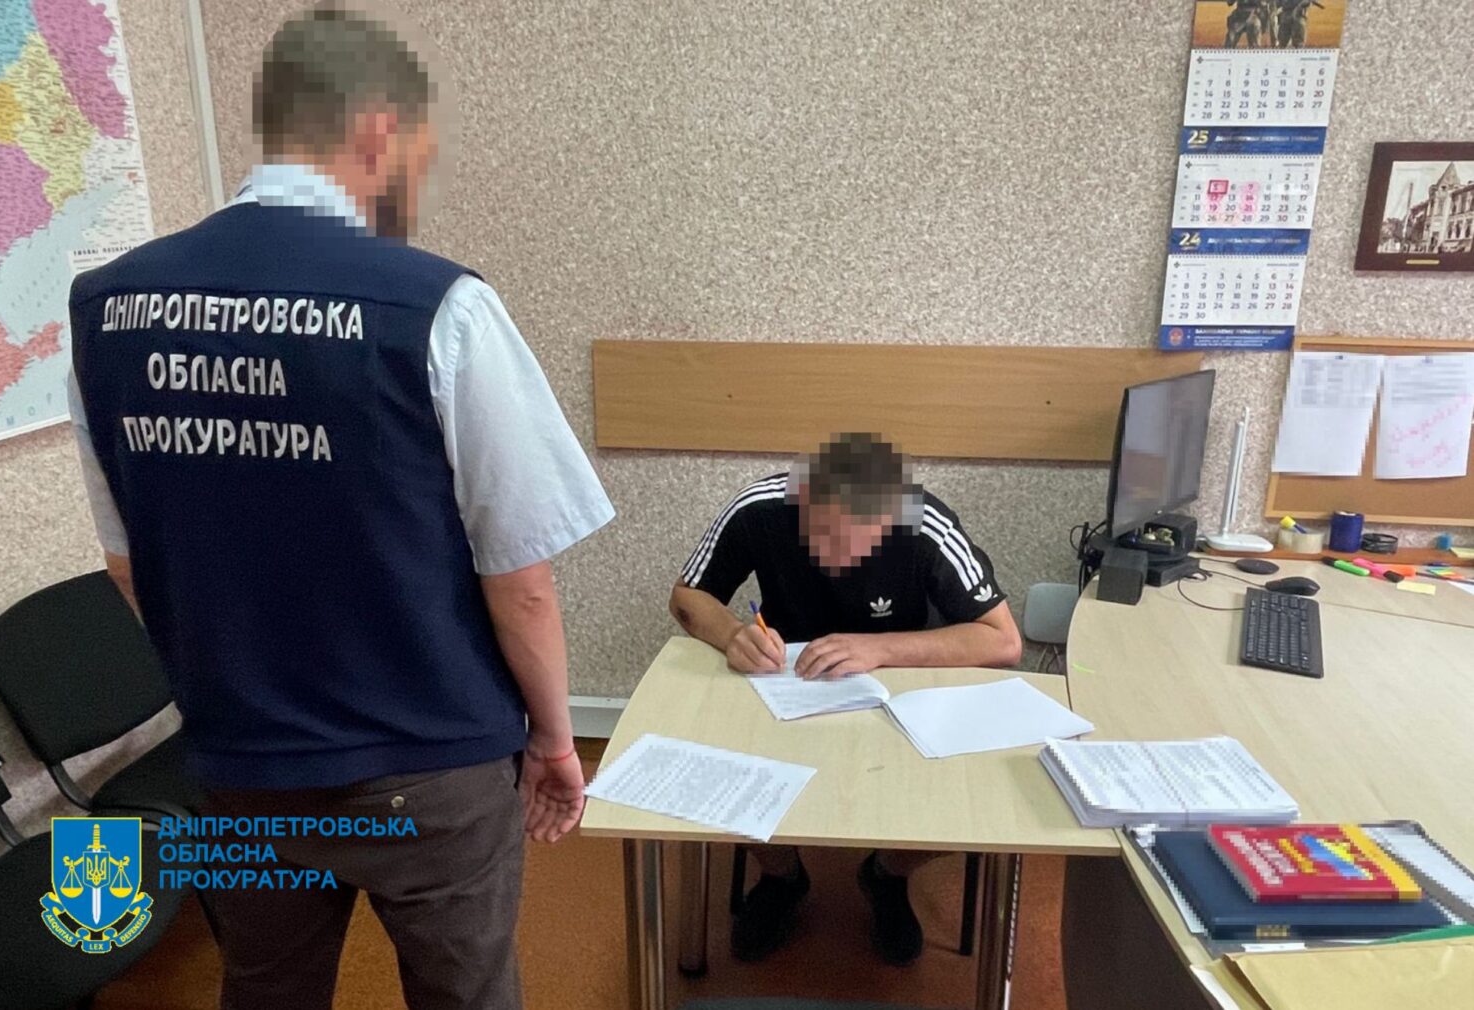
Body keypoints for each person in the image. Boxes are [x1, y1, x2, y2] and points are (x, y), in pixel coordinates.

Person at [66, 6, 613, 1009]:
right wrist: (552, 741)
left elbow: (130, 566)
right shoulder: (436, 306)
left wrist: (236, 693)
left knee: (267, 989)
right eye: (419, 155)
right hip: (431, 764)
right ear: (377, 128)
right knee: (465, 994)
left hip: (240, 760)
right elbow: (522, 582)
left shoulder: (107, 309)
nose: (416, 179)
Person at [668, 433, 1022, 965]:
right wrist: (732, 634)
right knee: (717, 763)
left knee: (971, 801)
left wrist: (879, 648)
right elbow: (688, 595)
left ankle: (887, 873)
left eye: (858, 538)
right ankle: (782, 876)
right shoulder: (759, 508)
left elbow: (1003, 640)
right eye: (823, 533)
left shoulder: (926, 523)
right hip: (786, 684)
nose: (838, 556)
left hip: (897, 690)